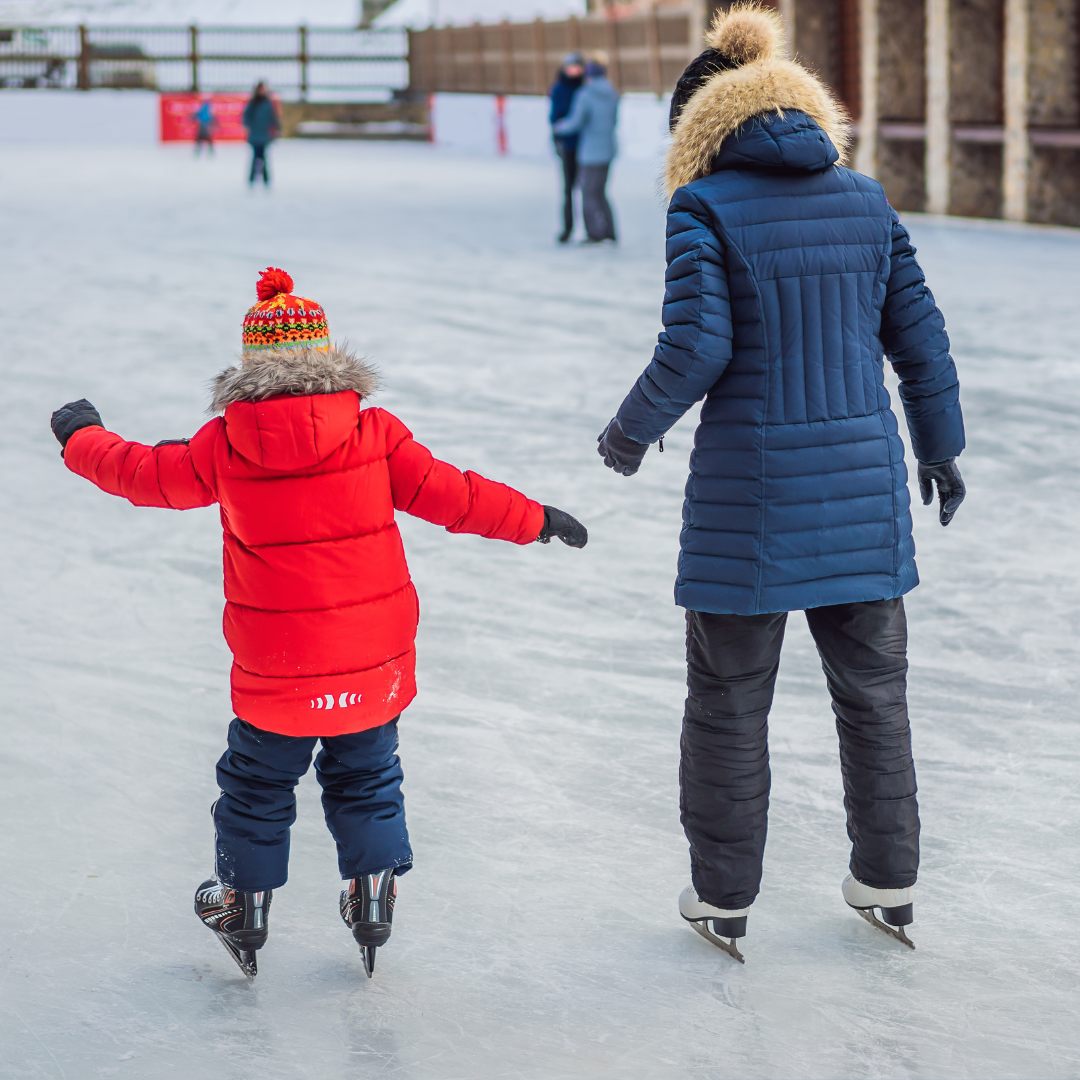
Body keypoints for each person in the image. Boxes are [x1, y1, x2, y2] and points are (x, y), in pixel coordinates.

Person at [49, 267, 588, 980]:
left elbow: (144, 474)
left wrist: (81, 436)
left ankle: (243, 905)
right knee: (367, 776)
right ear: (327, 357)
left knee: (256, 785)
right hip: (373, 662)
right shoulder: (375, 433)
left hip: (277, 669)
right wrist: (536, 519)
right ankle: (372, 893)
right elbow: (454, 495)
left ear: (251, 367)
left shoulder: (225, 443)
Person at [596, 4, 966, 961]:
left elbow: (698, 346)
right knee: (875, 697)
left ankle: (723, 897)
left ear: (698, 132)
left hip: (748, 505)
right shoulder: (867, 198)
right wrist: (940, 448)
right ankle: (889, 877)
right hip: (865, 491)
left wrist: (630, 431)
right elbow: (919, 340)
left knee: (727, 702)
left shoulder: (704, 206)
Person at [553, 58, 619, 244]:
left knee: (588, 193)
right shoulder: (613, 93)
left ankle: (594, 233)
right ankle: (611, 230)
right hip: (607, 148)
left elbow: (576, 122)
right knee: (601, 192)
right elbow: (613, 120)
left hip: (590, 151)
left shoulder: (585, 94)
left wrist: (558, 127)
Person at [549, 52, 584, 243]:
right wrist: (558, 136)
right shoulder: (560, 88)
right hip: (567, 144)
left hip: (585, 146)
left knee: (587, 189)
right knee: (568, 189)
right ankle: (567, 227)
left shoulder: (584, 88)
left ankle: (591, 228)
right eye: (571, 67)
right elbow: (555, 117)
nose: (574, 71)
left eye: (577, 67)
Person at [242, 82, 280, 187]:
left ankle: (265, 179)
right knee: (255, 157)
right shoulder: (253, 103)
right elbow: (246, 117)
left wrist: (276, 128)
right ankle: (252, 178)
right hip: (255, 134)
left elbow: (273, 117)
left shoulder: (268, 103)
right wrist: (248, 126)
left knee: (263, 157)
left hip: (264, 135)